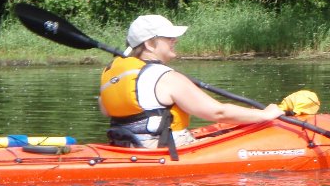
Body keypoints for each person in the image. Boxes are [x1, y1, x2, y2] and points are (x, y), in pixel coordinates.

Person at [99, 14, 284, 149]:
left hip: (127, 147)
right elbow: (218, 112)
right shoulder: (165, 77)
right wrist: (264, 115)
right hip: (163, 151)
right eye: (169, 37)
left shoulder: (112, 75)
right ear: (149, 44)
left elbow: (105, 109)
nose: (175, 40)